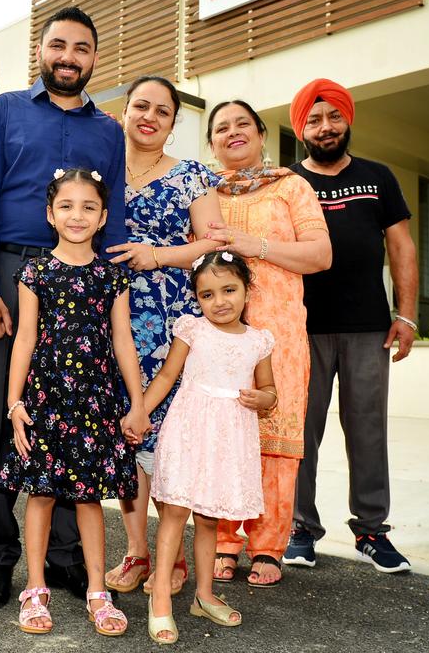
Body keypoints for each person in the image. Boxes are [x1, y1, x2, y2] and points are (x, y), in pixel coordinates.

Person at [0, 6, 126, 607]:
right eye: (58, 45)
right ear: (41, 50)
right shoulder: (4, 111)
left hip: (82, 281)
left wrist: (109, 290)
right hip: (10, 274)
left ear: (93, 59)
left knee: (73, 414)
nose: (68, 57)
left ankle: (64, 559)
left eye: (81, 48)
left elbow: (114, 217)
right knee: (7, 417)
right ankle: (1, 555)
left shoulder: (108, 131)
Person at [0, 168, 150, 636]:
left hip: (95, 402)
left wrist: (138, 403)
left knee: (89, 499)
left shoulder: (111, 277)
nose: (76, 215)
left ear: (103, 216)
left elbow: (123, 342)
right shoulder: (35, 272)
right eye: (66, 206)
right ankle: (35, 587)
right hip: (45, 400)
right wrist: (14, 403)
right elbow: (24, 339)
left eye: (88, 207)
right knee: (41, 494)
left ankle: (97, 592)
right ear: (50, 214)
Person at [283, 78, 418, 573]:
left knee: (367, 429)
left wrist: (406, 314)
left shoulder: (377, 177)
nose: (325, 127)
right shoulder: (287, 182)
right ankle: (300, 528)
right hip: (303, 329)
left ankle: (370, 530)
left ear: (347, 120)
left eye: (333, 116)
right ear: (302, 127)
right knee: (301, 432)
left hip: (368, 327)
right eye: (314, 119)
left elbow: (401, 246)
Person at [103, 76, 223, 596]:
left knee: (164, 438)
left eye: (162, 111)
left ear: (174, 123)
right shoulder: (101, 169)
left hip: (168, 317)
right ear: (125, 112)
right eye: (140, 107)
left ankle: (171, 557)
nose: (149, 117)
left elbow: (214, 241)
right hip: (107, 314)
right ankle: (136, 551)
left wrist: (158, 255)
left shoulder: (193, 175)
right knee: (121, 435)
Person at [203, 100, 332, 588]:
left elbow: (320, 255)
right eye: (221, 128)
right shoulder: (205, 190)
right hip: (218, 335)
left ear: (260, 133)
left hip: (279, 333)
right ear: (212, 142)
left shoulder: (291, 185)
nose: (232, 133)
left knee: (276, 441)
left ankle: (268, 545)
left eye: (242, 124)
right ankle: (224, 540)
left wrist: (249, 244)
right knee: (224, 432)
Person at [142, 251, 277, 644]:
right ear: (197, 299)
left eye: (229, 290)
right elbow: (168, 375)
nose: (219, 301)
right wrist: (140, 413)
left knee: (208, 519)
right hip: (189, 428)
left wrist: (264, 399)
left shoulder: (259, 341)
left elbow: (270, 391)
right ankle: (161, 601)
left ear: (247, 291)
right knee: (175, 512)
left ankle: (203, 595)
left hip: (230, 436)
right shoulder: (193, 330)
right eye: (207, 294)